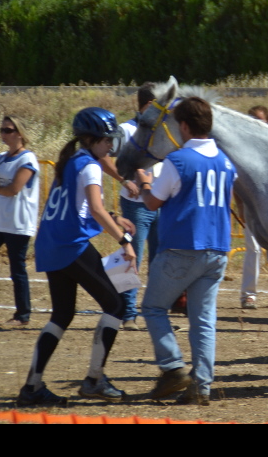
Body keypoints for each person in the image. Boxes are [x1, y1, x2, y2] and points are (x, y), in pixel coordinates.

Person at [18, 108, 137, 407]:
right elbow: (94, 209)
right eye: (106, 140)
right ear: (91, 138)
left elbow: (80, 206)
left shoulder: (71, 161)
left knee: (62, 314)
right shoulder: (89, 165)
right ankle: (94, 380)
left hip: (51, 243)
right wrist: (124, 241)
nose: (110, 146)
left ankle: (32, 387)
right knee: (116, 304)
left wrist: (113, 217)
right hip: (70, 245)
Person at [135, 96, 237, 406]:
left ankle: (172, 366)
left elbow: (153, 203)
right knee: (203, 320)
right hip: (217, 248)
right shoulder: (226, 161)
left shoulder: (177, 161)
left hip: (182, 246)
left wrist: (143, 183)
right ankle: (201, 386)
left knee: (153, 308)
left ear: (183, 126)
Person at [103, 82, 161, 331]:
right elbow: (103, 156)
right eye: (159, 104)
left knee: (159, 260)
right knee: (130, 256)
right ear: (148, 105)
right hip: (136, 205)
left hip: (160, 202)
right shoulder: (126, 130)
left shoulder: (162, 129)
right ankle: (127, 313)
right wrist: (124, 180)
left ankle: (155, 311)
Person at [0, 116, 39, 327]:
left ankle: (22, 315)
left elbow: (14, 189)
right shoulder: (0, 158)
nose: (3, 134)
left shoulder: (28, 159)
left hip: (18, 222)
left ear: (19, 133)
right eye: (2, 129)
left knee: (17, 269)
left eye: (8, 130)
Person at [239, 105, 268, 310]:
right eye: (253, 120)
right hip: (252, 206)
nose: (257, 124)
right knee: (255, 249)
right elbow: (237, 180)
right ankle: (249, 294)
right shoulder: (242, 147)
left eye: (261, 120)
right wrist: (240, 206)